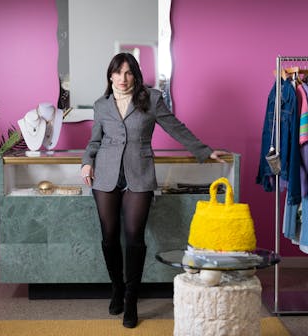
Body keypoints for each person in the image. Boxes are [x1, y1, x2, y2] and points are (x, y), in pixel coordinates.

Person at [81, 53, 230, 328]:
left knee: (135, 238)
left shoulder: (151, 99)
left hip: (139, 173)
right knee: (110, 237)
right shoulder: (101, 105)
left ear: (135, 75)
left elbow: (176, 128)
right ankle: (116, 287)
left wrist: (204, 151)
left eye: (128, 73)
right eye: (118, 73)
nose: (123, 79)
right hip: (105, 174)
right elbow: (94, 140)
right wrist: (87, 163)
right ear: (110, 75)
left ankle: (131, 299)